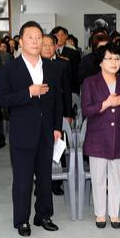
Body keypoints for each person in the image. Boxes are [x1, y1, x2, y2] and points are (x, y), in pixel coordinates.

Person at [0, 21, 63, 237]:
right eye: (30, 37)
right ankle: (22, 220)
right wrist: (29, 92)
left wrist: (57, 127)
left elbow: (57, 100)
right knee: (23, 179)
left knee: (45, 177)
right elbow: (2, 99)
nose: (35, 41)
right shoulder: (10, 67)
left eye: (38, 37)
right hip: (22, 131)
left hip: (46, 131)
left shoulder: (52, 67)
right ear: (21, 41)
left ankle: (43, 215)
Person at [81, 43, 120, 229]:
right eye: (109, 58)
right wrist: (107, 103)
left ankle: (114, 213)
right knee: (98, 177)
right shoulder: (90, 82)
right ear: (100, 62)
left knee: (117, 176)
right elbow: (87, 110)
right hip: (98, 137)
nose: (114, 62)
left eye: (117, 58)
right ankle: (100, 214)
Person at [41, 34, 72, 196]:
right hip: (40, 113)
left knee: (59, 147)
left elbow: (66, 91)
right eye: (43, 44)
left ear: (55, 47)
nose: (46, 48)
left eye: (49, 45)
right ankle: (41, 182)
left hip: (58, 111)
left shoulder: (62, 65)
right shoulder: (34, 65)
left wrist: (68, 113)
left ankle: (57, 183)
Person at [51, 26, 81, 94]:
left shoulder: (74, 53)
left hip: (69, 89)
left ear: (66, 36)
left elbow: (76, 73)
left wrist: (75, 91)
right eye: (57, 35)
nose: (59, 38)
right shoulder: (48, 52)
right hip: (53, 89)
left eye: (62, 35)